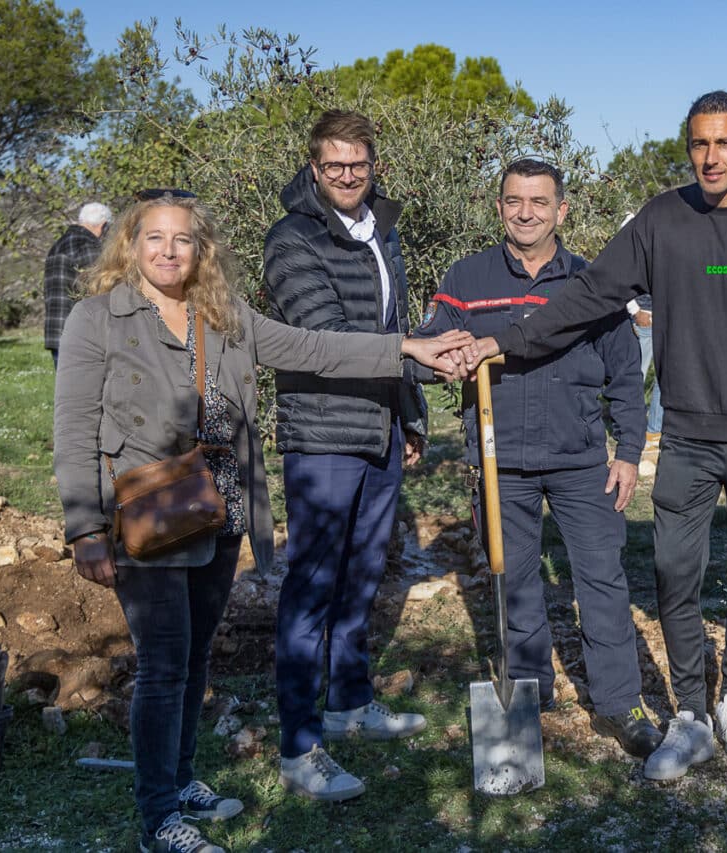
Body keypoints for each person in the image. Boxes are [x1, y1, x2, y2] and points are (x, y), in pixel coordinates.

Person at [54, 190, 469, 853]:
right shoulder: (97, 318)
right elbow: (73, 425)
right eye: (153, 238)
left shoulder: (225, 315)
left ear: (201, 249)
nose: (168, 251)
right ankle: (159, 819)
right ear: (128, 245)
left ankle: (183, 781)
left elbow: (316, 347)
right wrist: (82, 528)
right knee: (163, 665)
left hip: (220, 510)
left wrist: (409, 351)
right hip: (146, 513)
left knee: (192, 659)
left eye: (181, 239)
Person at [465, 91, 727, 780]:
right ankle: (689, 714)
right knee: (673, 573)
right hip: (688, 433)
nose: (711, 156)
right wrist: (506, 341)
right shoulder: (662, 219)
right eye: (699, 144)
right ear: (687, 146)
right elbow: (587, 295)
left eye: (724, 143)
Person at [416, 158, 662, 758]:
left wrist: (627, 452)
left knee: (602, 579)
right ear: (498, 206)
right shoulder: (467, 280)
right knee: (516, 581)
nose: (526, 213)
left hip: (581, 461)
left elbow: (626, 377)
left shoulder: (591, 282)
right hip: (502, 464)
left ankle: (619, 702)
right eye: (513, 201)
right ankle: (529, 691)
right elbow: (426, 342)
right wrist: (435, 357)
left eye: (539, 202)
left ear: (561, 210)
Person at [264, 109, 439, 801]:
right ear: (314, 167)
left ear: (374, 166)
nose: (346, 175)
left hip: (380, 428)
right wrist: (416, 357)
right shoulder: (291, 239)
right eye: (334, 165)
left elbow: (391, 325)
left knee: (363, 573)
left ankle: (348, 700)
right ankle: (299, 745)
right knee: (312, 585)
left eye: (357, 164)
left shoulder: (382, 231)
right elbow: (325, 337)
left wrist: (411, 412)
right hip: (322, 433)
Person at [44, 202, 111, 367]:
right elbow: (100, 290)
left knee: (66, 390)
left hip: (57, 330)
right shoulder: (88, 245)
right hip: (82, 335)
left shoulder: (58, 245)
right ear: (103, 226)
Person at [627, 293, 664, 477]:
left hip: (669, 319)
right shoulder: (638, 261)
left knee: (664, 379)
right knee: (634, 379)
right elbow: (621, 279)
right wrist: (635, 311)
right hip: (644, 318)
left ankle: (653, 435)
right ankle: (628, 434)